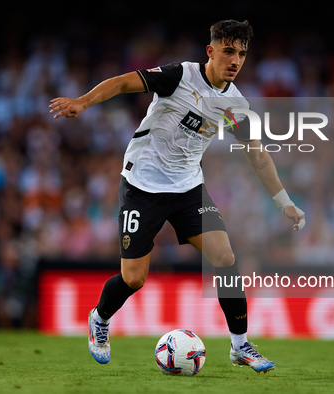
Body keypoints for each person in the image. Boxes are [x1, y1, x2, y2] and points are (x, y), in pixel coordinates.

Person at [49, 19, 305, 374]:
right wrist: (84, 102)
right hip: (142, 186)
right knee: (134, 278)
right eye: (229, 51)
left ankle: (240, 345)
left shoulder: (235, 104)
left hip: (187, 188)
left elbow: (257, 154)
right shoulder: (180, 76)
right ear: (210, 51)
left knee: (226, 257)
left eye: (242, 54)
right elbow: (125, 81)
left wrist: (284, 202)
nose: (235, 60)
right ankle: (99, 317)